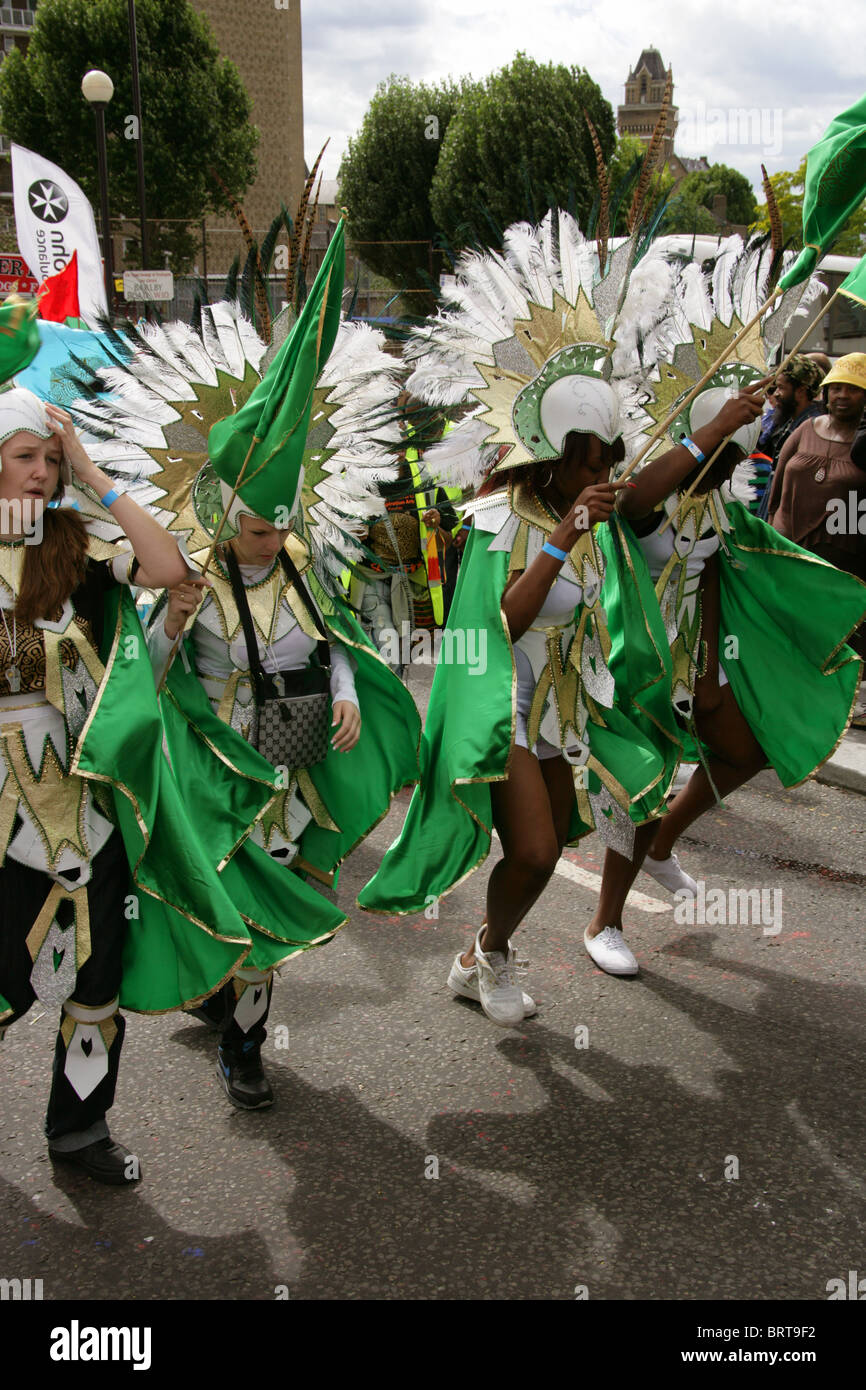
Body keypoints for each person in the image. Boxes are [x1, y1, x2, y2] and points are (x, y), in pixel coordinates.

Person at [0, 389, 190, 1184]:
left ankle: (79, 1132)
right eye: (24, 457)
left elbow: (168, 568)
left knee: (95, 978)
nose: (40, 475)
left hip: (89, 797)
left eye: (50, 460)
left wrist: (90, 468)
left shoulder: (74, 549)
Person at [620, 372, 866, 910]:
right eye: (730, 452)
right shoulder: (651, 503)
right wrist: (714, 429)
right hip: (631, 653)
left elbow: (709, 577)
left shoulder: (716, 505)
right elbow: (630, 504)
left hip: (693, 649)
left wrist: (706, 669)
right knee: (634, 788)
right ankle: (605, 921)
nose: (739, 466)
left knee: (740, 753)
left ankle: (660, 848)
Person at [768, 353, 866, 657]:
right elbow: (777, 488)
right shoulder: (806, 429)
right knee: (788, 646)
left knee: (836, 651)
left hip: (843, 570)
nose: (842, 396)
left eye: (852, 389)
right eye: (836, 388)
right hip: (790, 557)